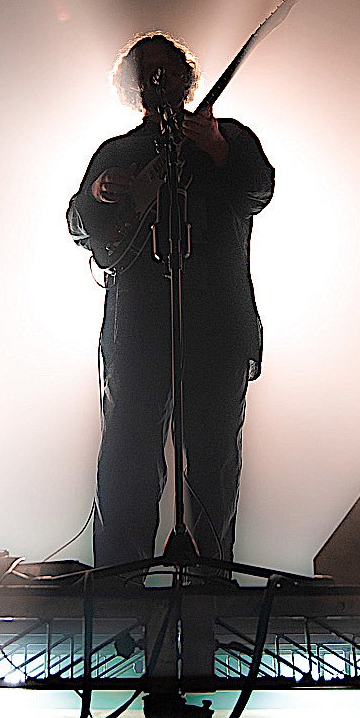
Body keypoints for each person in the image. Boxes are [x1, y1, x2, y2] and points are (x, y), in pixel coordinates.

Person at [67, 31, 274, 574]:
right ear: (132, 86)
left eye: (168, 69)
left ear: (186, 77)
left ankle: (211, 582)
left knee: (213, 462)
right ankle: (119, 583)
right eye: (147, 72)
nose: (159, 80)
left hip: (217, 324)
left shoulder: (227, 137)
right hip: (137, 329)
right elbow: (77, 224)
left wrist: (219, 150)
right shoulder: (117, 153)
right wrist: (97, 195)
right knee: (128, 456)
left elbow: (259, 190)